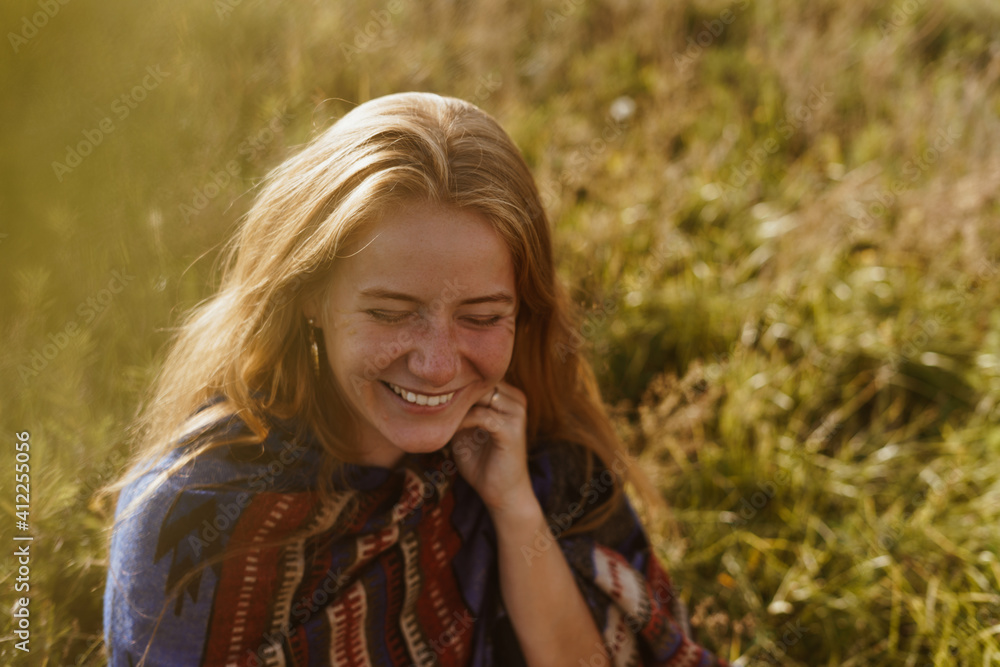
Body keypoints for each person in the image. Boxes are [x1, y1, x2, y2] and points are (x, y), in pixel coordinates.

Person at [103, 92, 726, 666]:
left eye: (481, 317)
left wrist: (516, 512)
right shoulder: (195, 522)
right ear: (309, 297)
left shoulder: (541, 462)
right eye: (390, 313)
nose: (435, 364)